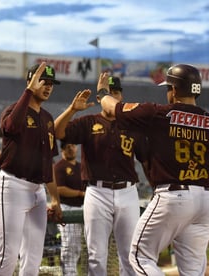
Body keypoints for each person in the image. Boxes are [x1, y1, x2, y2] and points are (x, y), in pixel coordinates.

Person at [96, 64, 209, 275]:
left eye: (169, 87)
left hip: (173, 196)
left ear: (175, 90)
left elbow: (115, 108)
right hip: (205, 200)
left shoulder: (159, 114)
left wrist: (102, 93)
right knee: (193, 270)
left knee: (140, 257)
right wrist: (197, 188)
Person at [54, 76, 148, 275]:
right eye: (109, 92)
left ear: (121, 97)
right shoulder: (88, 122)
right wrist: (72, 110)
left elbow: (146, 160)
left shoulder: (132, 126)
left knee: (130, 254)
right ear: (100, 99)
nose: (113, 96)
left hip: (128, 191)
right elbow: (57, 132)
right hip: (97, 192)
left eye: (116, 92)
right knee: (96, 256)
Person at [0, 62, 63, 276]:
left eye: (51, 83)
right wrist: (29, 90)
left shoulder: (48, 118)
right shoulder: (13, 110)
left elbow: (48, 161)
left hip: (37, 191)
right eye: (43, 82)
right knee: (8, 256)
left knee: (33, 257)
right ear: (31, 81)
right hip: (12, 185)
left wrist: (55, 198)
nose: (48, 87)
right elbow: (11, 127)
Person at [54, 141, 85, 276]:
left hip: (83, 208)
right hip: (67, 208)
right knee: (70, 244)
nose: (71, 149)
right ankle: (69, 273)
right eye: (68, 147)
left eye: (73, 146)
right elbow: (59, 189)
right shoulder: (59, 167)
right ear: (63, 150)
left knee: (85, 245)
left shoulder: (81, 166)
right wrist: (80, 193)